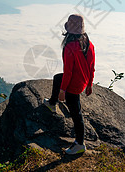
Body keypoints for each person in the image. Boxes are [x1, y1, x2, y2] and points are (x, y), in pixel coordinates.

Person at [43, 14, 95, 155]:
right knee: (57, 77)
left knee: (76, 114)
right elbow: (91, 66)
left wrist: (63, 90)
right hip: (82, 80)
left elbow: (69, 72)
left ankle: (79, 143)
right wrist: (89, 84)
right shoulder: (89, 44)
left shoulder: (70, 46)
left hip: (73, 85)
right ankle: (52, 104)